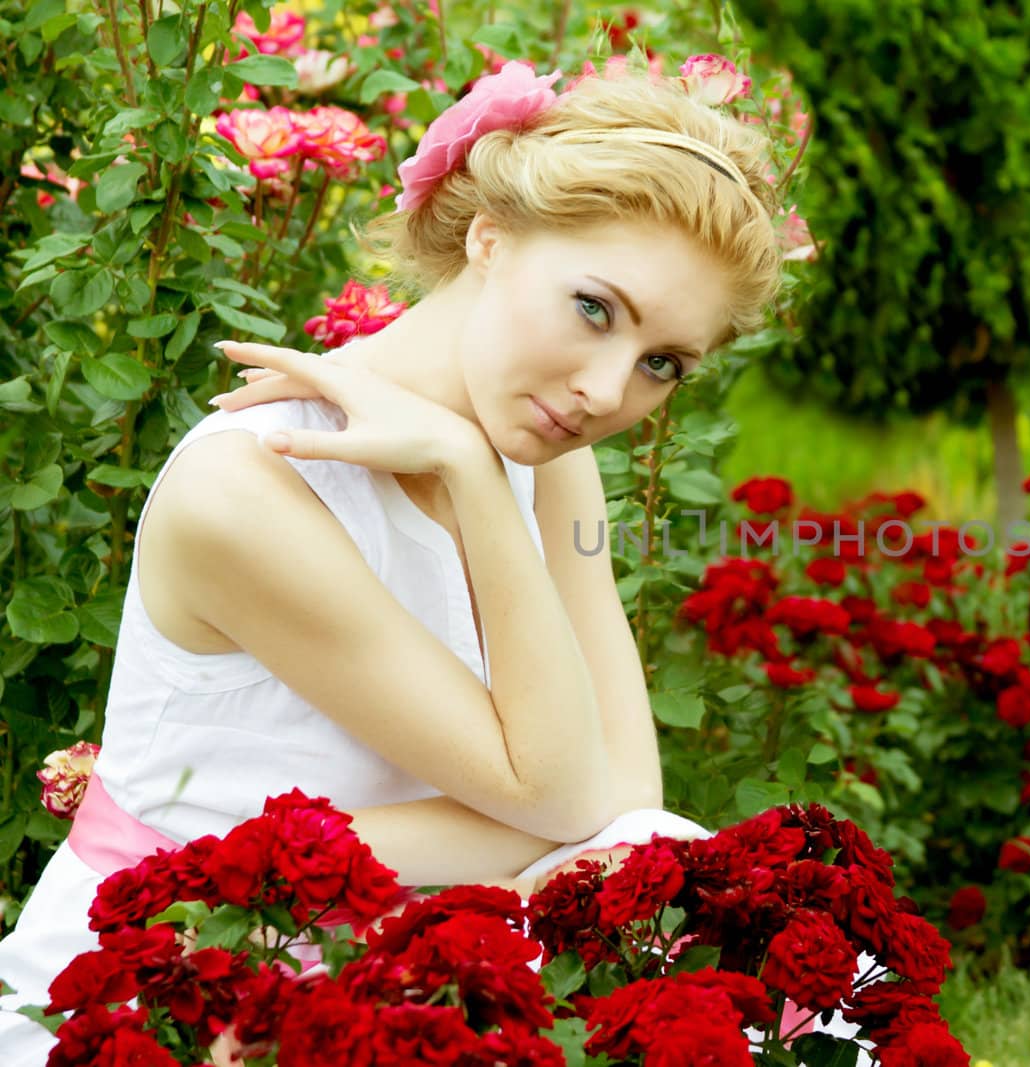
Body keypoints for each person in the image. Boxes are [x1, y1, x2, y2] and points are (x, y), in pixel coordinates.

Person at [0, 58, 785, 1061]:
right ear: (490, 239)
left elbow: (614, 797)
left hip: (402, 937)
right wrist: (533, 824)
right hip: (178, 976)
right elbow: (563, 802)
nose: (604, 390)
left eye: (660, 363)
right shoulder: (247, 488)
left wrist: (468, 470)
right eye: (594, 307)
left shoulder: (548, 464)